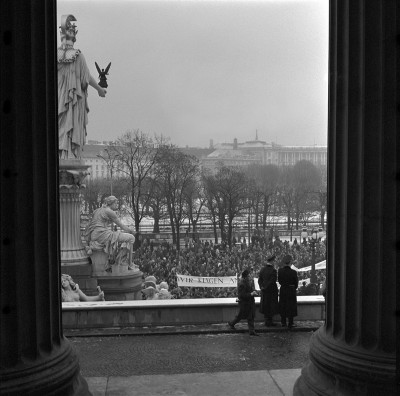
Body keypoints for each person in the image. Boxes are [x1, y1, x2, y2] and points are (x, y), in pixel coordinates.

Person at [58, 14, 107, 160]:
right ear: (74, 37)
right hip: (73, 101)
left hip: (58, 100)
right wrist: (99, 89)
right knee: (71, 125)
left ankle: (62, 153)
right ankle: (70, 155)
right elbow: (87, 77)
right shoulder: (78, 56)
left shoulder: (54, 55)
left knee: (61, 126)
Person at [85, 196, 136, 271]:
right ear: (110, 203)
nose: (117, 205)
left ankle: (118, 261)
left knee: (116, 236)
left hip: (94, 235)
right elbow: (121, 225)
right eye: (116, 203)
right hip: (101, 234)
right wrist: (131, 231)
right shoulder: (109, 211)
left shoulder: (97, 210)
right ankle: (121, 262)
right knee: (131, 238)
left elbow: (90, 225)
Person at [228, 269, 259, 336]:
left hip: (249, 303)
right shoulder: (242, 284)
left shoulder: (248, 282)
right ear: (245, 277)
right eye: (249, 275)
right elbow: (242, 295)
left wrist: (254, 292)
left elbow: (251, 289)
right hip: (244, 304)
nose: (250, 276)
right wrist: (251, 294)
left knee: (250, 317)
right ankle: (232, 323)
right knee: (240, 316)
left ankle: (251, 331)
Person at [278, 254, 299, 328]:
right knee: (291, 306)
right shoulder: (293, 272)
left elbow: (279, 281)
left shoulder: (280, 271)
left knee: (283, 306)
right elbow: (296, 283)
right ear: (290, 262)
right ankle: (291, 322)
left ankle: (283, 322)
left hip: (283, 290)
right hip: (291, 290)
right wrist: (293, 288)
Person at [258, 255, 279, 326]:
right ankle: (270, 321)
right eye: (274, 261)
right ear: (272, 261)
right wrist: (266, 287)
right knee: (271, 306)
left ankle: (267, 320)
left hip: (264, 291)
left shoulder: (262, 269)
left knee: (265, 305)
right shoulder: (273, 270)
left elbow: (259, 280)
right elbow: (272, 281)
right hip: (271, 291)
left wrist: (262, 287)